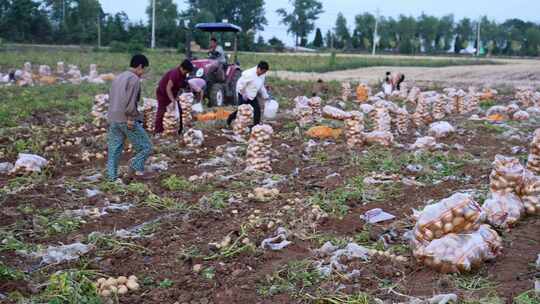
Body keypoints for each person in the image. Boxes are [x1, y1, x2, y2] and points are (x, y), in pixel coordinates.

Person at [106, 54, 152, 182]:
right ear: (139, 66)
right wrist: (132, 118)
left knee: (114, 150)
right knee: (146, 147)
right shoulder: (134, 79)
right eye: (144, 69)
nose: (142, 73)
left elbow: (112, 98)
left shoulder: (118, 77)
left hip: (113, 118)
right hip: (126, 119)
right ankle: (133, 166)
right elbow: (131, 100)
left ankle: (111, 178)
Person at [154, 59, 194, 136]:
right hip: (163, 93)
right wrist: (172, 100)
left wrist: (182, 95)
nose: (187, 73)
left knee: (179, 110)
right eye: (186, 71)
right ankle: (158, 131)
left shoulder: (183, 74)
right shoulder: (175, 73)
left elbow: (180, 85)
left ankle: (179, 130)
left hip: (173, 93)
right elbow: (168, 88)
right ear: (182, 68)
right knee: (161, 111)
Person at [227, 61, 270, 127]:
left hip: (252, 93)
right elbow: (241, 85)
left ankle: (256, 126)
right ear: (259, 68)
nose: (263, 74)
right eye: (262, 72)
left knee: (257, 109)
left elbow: (261, 86)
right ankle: (230, 118)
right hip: (243, 93)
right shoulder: (249, 74)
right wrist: (243, 93)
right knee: (242, 110)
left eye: (264, 72)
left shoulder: (262, 75)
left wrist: (266, 96)